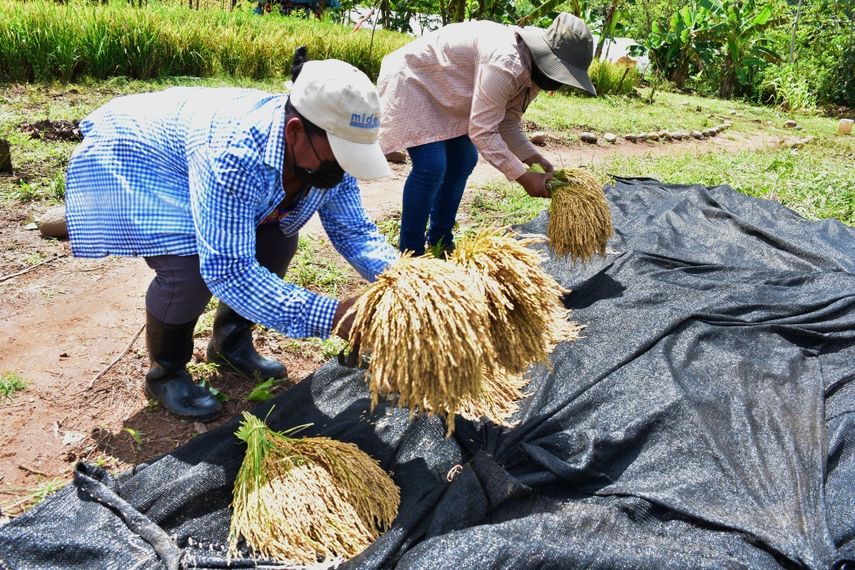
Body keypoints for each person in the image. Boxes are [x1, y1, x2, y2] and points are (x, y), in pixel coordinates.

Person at [65, 51, 398, 422]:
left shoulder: (330, 151)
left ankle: (229, 344)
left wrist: (407, 279)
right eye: (339, 157)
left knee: (278, 239)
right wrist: (334, 316)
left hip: (198, 146)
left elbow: (354, 231)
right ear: (295, 131)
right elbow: (229, 270)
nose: (343, 169)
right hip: (145, 154)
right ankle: (167, 372)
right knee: (187, 268)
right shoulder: (234, 153)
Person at [378, 13, 597, 256]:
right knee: (431, 166)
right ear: (546, 56)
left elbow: (507, 121)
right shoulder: (507, 63)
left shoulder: (535, 73)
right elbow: (483, 132)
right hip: (415, 80)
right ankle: (411, 253)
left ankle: (440, 241)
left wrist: (533, 158)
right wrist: (524, 177)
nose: (560, 82)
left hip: (451, 93)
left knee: (463, 159)